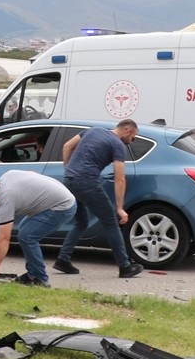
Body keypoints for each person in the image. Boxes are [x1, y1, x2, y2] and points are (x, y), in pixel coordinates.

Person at [54, 119, 145, 278]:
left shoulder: (93, 130)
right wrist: (120, 208)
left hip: (69, 181)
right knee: (110, 221)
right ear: (127, 131)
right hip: (87, 182)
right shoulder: (118, 145)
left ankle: (63, 259)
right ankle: (125, 266)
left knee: (81, 222)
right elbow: (120, 178)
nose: (132, 142)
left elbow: (67, 146)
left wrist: (68, 170)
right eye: (133, 138)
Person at [0, 172, 76, 287]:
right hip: (61, 198)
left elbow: (3, 238)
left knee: (27, 236)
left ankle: (41, 279)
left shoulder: (5, 198)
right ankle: (32, 274)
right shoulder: (5, 177)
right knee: (24, 231)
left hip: (62, 206)